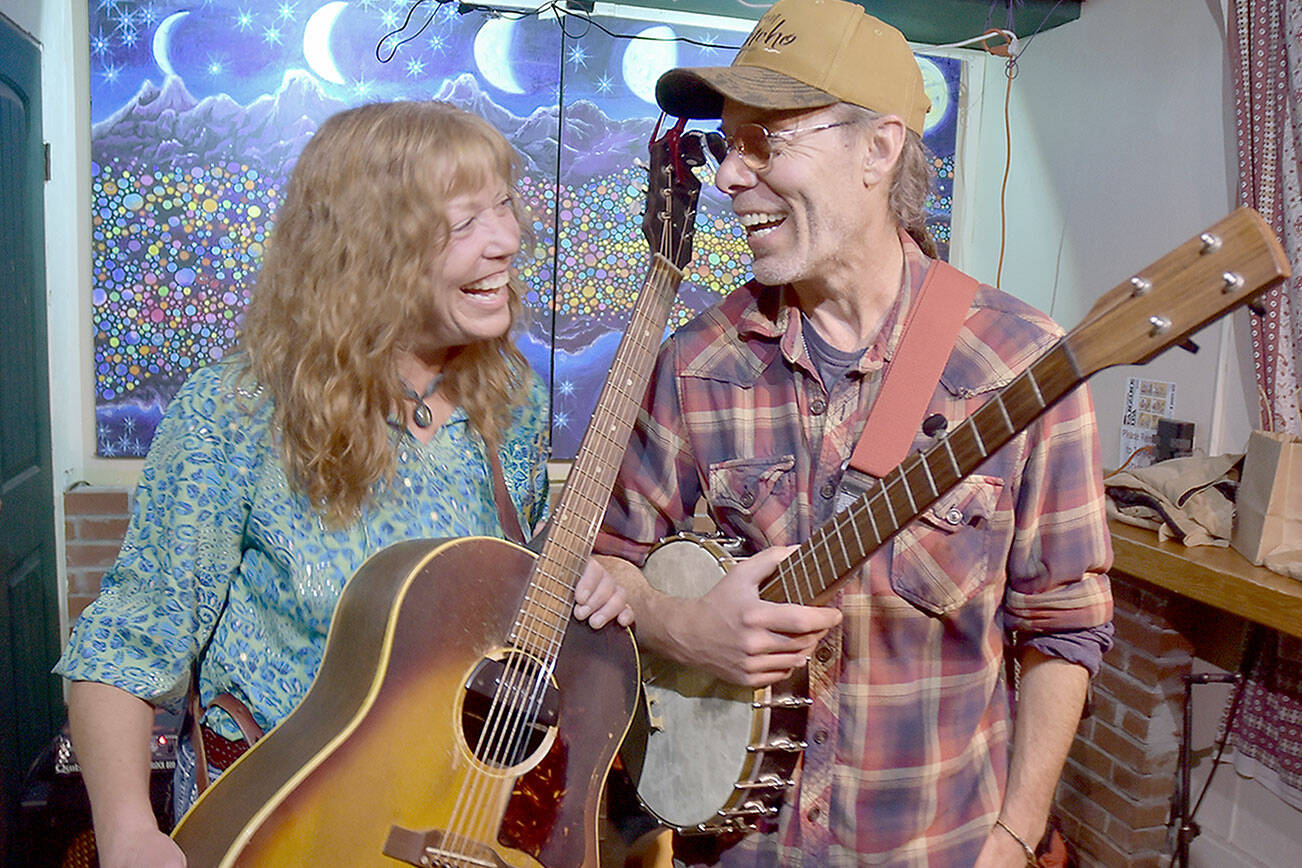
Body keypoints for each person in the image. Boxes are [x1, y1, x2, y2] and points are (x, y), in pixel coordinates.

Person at [593, 1, 1114, 865]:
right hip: (734, 850)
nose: (728, 177)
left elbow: (1064, 626)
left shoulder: (1020, 364)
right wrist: (677, 626)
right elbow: (605, 561)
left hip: (935, 848)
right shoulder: (696, 363)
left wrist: (1017, 834)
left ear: (879, 148)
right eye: (727, 143)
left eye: (764, 141)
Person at [55, 100, 632, 868]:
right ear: (368, 246)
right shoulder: (237, 413)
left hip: (442, 826)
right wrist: (130, 834)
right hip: (286, 832)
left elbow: (497, 632)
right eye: (465, 222)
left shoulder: (510, 405)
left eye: (503, 205)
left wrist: (577, 592)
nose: (507, 239)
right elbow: (125, 646)